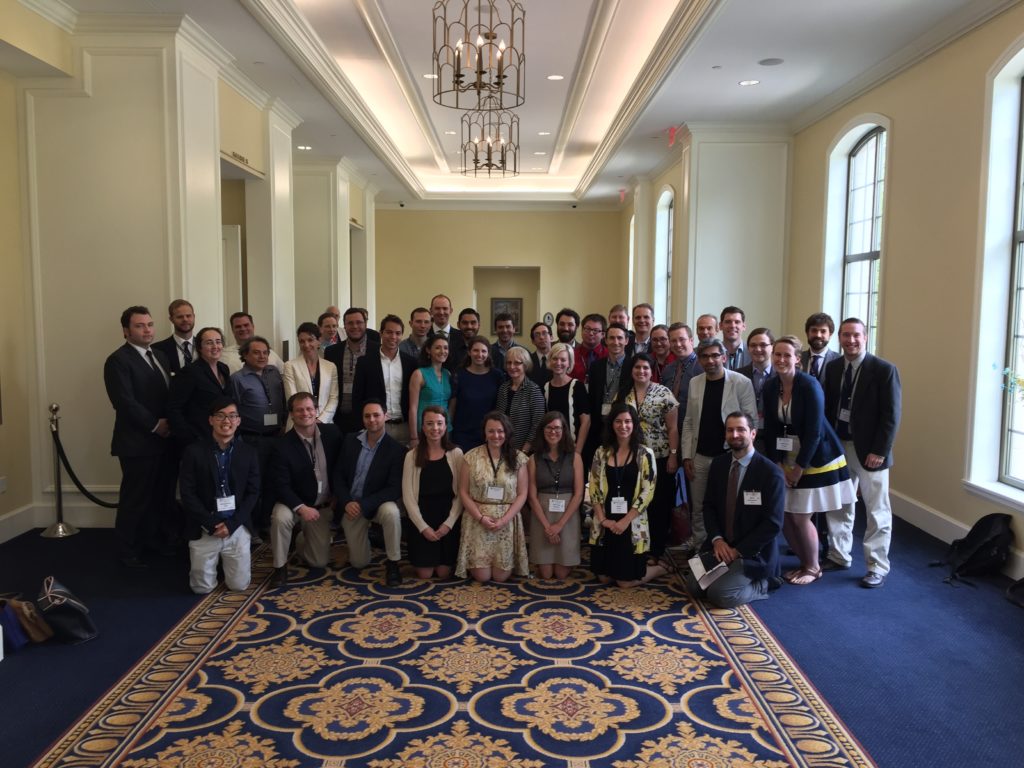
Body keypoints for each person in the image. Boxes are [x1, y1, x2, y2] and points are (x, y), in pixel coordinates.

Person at [763, 336, 855, 586]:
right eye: (777, 355)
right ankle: (804, 562)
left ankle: (814, 567)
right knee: (786, 515)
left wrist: (799, 469)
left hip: (816, 458)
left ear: (797, 360)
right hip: (787, 456)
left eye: (786, 355)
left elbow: (815, 432)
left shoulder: (809, 385)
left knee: (801, 516)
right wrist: (779, 465)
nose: (781, 360)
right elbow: (770, 429)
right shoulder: (771, 386)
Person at [822, 318, 902, 588]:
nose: (850, 340)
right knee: (839, 503)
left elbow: (891, 415)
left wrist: (880, 450)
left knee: (877, 509)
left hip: (870, 452)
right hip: (839, 447)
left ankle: (877, 566)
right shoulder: (833, 368)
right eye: (845, 335)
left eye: (856, 335)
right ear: (839, 338)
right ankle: (839, 554)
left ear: (865, 337)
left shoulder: (884, 370)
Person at [686, 412, 785, 608]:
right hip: (721, 545)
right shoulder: (719, 464)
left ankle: (765, 584)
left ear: (753, 434)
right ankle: (727, 571)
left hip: (753, 553)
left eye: (741, 429)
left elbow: (773, 524)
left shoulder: (770, 473)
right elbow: (709, 506)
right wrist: (717, 540)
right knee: (694, 587)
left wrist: (738, 550)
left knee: (720, 595)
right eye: (730, 430)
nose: (735, 434)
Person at [103, 305, 176, 567]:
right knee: (135, 498)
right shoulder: (118, 360)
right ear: (126, 331)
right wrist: (155, 425)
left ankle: (153, 541)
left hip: (164, 441)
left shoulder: (159, 356)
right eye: (139, 325)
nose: (147, 330)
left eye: (149, 324)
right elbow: (124, 402)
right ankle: (127, 549)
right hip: (137, 442)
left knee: (161, 496)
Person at [681, 339, 757, 552]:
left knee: (729, 506)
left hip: (730, 457)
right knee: (698, 507)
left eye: (715, 355)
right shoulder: (695, 382)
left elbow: (751, 420)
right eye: (705, 356)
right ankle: (700, 548)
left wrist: (745, 456)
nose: (710, 360)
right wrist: (687, 456)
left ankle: (729, 548)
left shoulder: (741, 382)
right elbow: (688, 422)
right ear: (700, 360)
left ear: (724, 357)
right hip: (700, 456)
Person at [179, 397, 259, 594]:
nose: (226, 421)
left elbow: (253, 492)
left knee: (239, 585)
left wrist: (232, 524)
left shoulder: (248, 453)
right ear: (211, 420)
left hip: (236, 524)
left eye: (232, 416)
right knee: (201, 588)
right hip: (206, 526)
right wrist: (211, 523)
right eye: (220, 416)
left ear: (239, 421)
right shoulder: (193, 452)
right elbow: (187, 493)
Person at [267, 392, 341, 587]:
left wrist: (338, 495)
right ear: (291, 414)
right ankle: (280, 567)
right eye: (299, 410)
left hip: (321, 507)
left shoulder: (333, 434)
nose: (305, 413)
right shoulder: (281, 445)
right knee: (280, 518)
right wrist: (300, 508)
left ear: (316, 411)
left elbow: (342, 468)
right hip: (293, 503)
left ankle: (300, 538)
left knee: (319, 562)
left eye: (309, 409)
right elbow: (280, 485)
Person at [588, 403, 665, 586]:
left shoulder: (645, 454)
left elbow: (648, 491)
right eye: (618, 421)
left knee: (625, 583)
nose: (623, 426)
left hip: (631, 523)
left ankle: (660, 568)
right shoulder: (601, 452)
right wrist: (602, 519)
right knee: (604, 578)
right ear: (611, 424)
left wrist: (625, 521)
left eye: (628, 421)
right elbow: (594, 487)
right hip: (606, 521)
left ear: (634, 424)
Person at [334, 400, 406, 586]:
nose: (372, 419)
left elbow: (394, 488)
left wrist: (365, 504)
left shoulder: (396, 450)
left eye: (376, 415)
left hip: (376, 504)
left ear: (386, 416)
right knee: (359, 563)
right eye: (367, 416)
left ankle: (393, 563)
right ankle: (367, 539)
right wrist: (347, 502)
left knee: (392, 512)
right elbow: (338, 476)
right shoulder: (350, 440)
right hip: (351, 505)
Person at [616, 353, 679, 559]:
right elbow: (616, 423)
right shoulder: (624, 392)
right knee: (634, 501)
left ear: (652, 371)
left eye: (645, 368)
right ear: (631, 370)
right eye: (637, 367)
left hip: (659, 457)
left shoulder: (664, 393)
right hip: (630, 457)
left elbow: (672, 429)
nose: (641, 371)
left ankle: (656, 549)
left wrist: (673, 455)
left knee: (658, 503)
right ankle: (634, 545)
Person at [456, 411, 530, 582]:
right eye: (491, 431)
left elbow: (522, 493)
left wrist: (504, 520)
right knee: (482, 577)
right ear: (484, 433)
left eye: (500, 431)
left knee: (500, 577)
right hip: (478, 521)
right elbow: (463, 492)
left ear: (507, 432)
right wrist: (480, 518)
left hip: (506, 521)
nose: (496, 435)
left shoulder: (518, 458)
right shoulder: (471, 457)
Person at [231, 336, 286, 536]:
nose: (262, 356)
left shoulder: (275, 373)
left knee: (274, 482)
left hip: (277, 437)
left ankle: (267, 523)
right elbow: (233, 409)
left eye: (265, 352)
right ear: (245, 355)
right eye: (256, 352)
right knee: (254, 485)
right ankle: (251, 529)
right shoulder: (238, 379)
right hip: (252, 439)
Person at [402, 406, 464, 579]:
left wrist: (448, 525)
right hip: (422, 518)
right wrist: (423, 528)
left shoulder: (456, 453)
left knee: (443, 573)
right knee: (425, 574)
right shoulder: (411, 456)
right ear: (423, 427)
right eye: (429, 424)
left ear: (446, 426)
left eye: (439, 423)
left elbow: (461, 494)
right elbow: (408, 497)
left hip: (448, 519)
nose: (435, 428)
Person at [527, 412, 583, 579]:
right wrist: (547, 527)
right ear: (542, 431)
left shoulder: (576, 457)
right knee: (545, 574)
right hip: (542, 515)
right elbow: (531, 495)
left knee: (560, 574)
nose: (553, 432)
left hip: (567, 516)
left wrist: (559, 525)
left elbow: (579, 494)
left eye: (557, 428)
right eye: (549, 428)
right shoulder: (533, 459)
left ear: (564, 430)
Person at [353, 314, 418, 445]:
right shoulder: (365, 362)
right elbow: (357, 397)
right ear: (381, 333)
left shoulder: (410, 363)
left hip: (404, 426)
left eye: (398, 333)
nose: (393, 337)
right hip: (377, 426)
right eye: (389, 332)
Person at [168, 326, 232, 448]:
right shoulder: (189, 372)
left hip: (222, 437)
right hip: (199, 440)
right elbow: (174, 408)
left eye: (218, 342)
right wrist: (190, 438)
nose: (215, 346)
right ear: (199, 348)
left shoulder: (224, 369)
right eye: (209, 343)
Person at [325, 307, 380, 432]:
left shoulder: (378, 351)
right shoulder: (332, 352)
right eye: (350, 323)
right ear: (344, 326)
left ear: (365, 324)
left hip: (368, 420)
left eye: (359, 322)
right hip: (339, 418)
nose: (355, 326)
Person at [450, 335, 505, 451]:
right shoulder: (458, 375)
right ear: (469, 352)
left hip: (489, 435)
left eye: (483, 351)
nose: (479, 354)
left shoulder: (497, 376)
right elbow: (452, 407)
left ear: (488, 353)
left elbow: (501, 407)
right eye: (475, 350)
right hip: (462, 435)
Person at [283, 322, 339, 424]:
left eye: (310, 340)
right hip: (299, 422)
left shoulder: (330, 367)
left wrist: (321, 420)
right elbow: (292, 398)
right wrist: (308, 419)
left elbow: (334, 398)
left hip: (325, 423)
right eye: (302, 341)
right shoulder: (290, 366)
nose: (306, 345)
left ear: (319, 341)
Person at [495, 346, 546, 453]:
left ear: (525, 365)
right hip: (502, 447)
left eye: (517, 363)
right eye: (509, 363)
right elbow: (498, 418)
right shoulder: (503, 388)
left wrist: (524, 450)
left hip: (525, 451)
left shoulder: (533, 390)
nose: (512, 366)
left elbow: (537, 424)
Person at [543, 342, 590, 451]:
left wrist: (578, 451)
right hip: (552, 448)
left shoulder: (577, 386)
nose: (558, 363)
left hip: (573, 448)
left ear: (569, 363)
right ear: (550, 361)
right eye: (555, 359)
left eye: (563, 360)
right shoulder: (545, 387)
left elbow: (586, 421)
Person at [408, 334, 453, 445]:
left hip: (444, 430)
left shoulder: (448, 374)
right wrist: (414, 437)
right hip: (424, 430)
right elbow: (413, 408)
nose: (442, 351)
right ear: (428, 350)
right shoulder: (419, 374)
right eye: (438, 347)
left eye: (445, 348)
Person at [152, 298, 196, 375]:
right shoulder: (156, 349)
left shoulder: (205, 345)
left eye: (188, 316)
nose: (185, 319)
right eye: (180, 317)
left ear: (194, 317)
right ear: (171, 319)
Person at [801, 312, 839, 383]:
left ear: (830, 335)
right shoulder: (798, 359)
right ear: (807, 333)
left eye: (823, 331)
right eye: (814, 330)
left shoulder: (839, 361)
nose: (818, 335)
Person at [571, 313, 608, 381]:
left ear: (603, 334)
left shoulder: (609, 355)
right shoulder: (571, 355)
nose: (591, 333)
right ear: (582, 331)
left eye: (595, 330)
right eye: (587, 329)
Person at [720, 306, 751, 371]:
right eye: (728, 322)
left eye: (737, 322)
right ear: (720, 326)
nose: (732, 326)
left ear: (744, 326)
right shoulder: (714, 352)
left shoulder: (752, 352)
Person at [528, 321, 554, 387]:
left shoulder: (558, 360)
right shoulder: (528, 360)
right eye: (537, 335)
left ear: (551, 337)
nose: (541, 337)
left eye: (544, 333)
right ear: (533, 341)